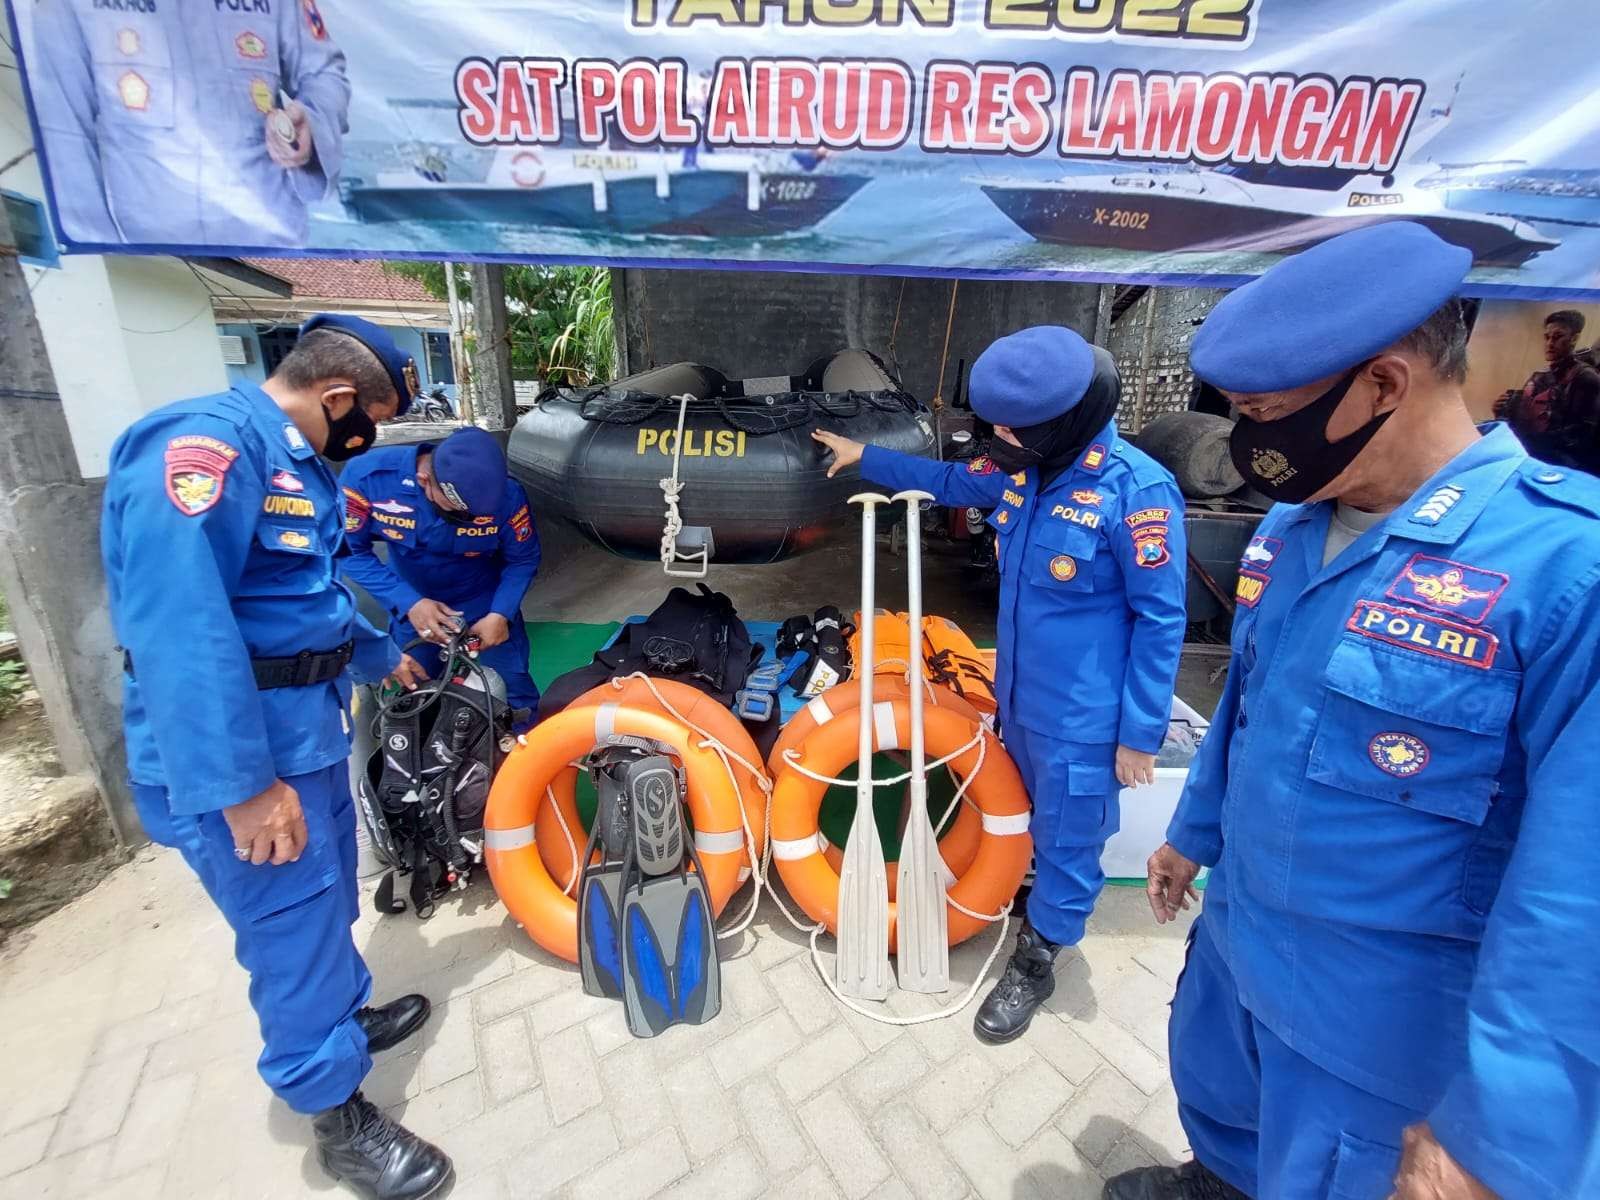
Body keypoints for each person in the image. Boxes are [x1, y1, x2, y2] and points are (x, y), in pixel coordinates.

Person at [1108, 222, 1600, 1200]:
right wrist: (1189, 833)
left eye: (1263, 413)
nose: (1246, 443)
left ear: (1382, 385)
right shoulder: (1295, 528)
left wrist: (1504, 1133)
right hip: (1237, 951)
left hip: (1379, 1035)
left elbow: (1577, 890)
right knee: (1223, 1124)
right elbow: (1249, 706)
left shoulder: (1563, 571)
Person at [101, 314, 455, 1200]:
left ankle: (341, 1019)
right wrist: (243, 790)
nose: (368, 436)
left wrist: (380, 654)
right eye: (369, 418)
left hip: (302, 737)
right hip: (239, 763)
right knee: (290, 926)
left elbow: (309, 593)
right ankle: (338, 1117)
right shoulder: (205, 453)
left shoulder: (293, 463)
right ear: (338, 401)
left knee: (327, 892)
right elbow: (181, 627)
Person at [813, 327, 1188, 1046]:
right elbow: (954, 481)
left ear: (1063, 421)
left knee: (1071, 835)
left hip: (1084, 720)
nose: (1000, 438)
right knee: (1018, 813)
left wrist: (1141, 735)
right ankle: (1027, 893)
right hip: (1015, 697)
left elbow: (1160, 620)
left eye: (1015, 427)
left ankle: (1039, 957)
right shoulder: (1025, 466)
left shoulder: (1136, 492)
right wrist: (868, 457)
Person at [29, 0, 350, 247]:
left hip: (272, 239)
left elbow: (323, 72)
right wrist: (100, 250)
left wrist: (312, 118)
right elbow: (64, 133)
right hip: (145, 248)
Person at [339, 426, 543, 728]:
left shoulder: (507, 496)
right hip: (413, 607)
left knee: (511, 697)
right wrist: (408, 602)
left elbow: (523, 559)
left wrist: (501, 613)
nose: (470, 519)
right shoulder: (369, 478)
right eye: (460, 512)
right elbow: (348, 550)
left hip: (483, 601)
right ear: (425, 481)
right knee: (411, 700)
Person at [1493, 309, 1600, 474]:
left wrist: (1535, 441)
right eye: (1547, 337)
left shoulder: (1585, 378)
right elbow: (1524, 413)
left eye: (1558, 337)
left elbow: (1581, 433)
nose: (1550, 343)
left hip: (1559, 467)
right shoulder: (1540, 376)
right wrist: (1503, 410)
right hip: (1528, 456)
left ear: (1574, 339)